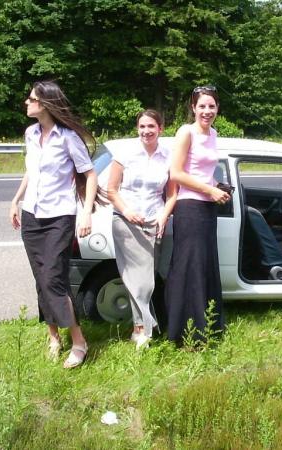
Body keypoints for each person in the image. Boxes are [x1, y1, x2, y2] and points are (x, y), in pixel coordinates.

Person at [10, 80, 101, 369]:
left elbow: (90, 175)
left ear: (46, 104)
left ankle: (79, 341)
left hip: (59, 217)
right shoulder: (31, 133)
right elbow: (31, 172)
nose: (27, 103)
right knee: (41, 279)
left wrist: (86, 213)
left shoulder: (68, 138)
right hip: (31, 215)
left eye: (31, 99)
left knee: (53, 278)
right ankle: (53, 337)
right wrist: (16, 200)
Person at [165, 85, 230, 344]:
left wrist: (218, 187)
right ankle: (184, 332)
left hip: (207, 207)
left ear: (217, 108)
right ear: (193, 108)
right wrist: (209, 190)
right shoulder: (186, 132)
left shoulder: (213, 133)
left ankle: (207, 325)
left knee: (205, 266)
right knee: (189, 267)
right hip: (190, 207)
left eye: (211, 106)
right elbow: (176, 173)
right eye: (202, 106)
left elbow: (204, 172)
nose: (207, 111)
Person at [107, 109, 176, 349]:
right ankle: (141, 328)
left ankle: (143, 326)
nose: (146, 131)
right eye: (142, 126)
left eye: (151, 126)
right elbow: (111, 190)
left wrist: (163, 216)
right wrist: (127, 211)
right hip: (126, 221)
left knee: (147, 280)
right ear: (137, 129)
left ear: (160, 129)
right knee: (136, 279)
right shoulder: (125, 154)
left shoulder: (168, 156)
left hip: (154, 222)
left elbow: (172, 194)